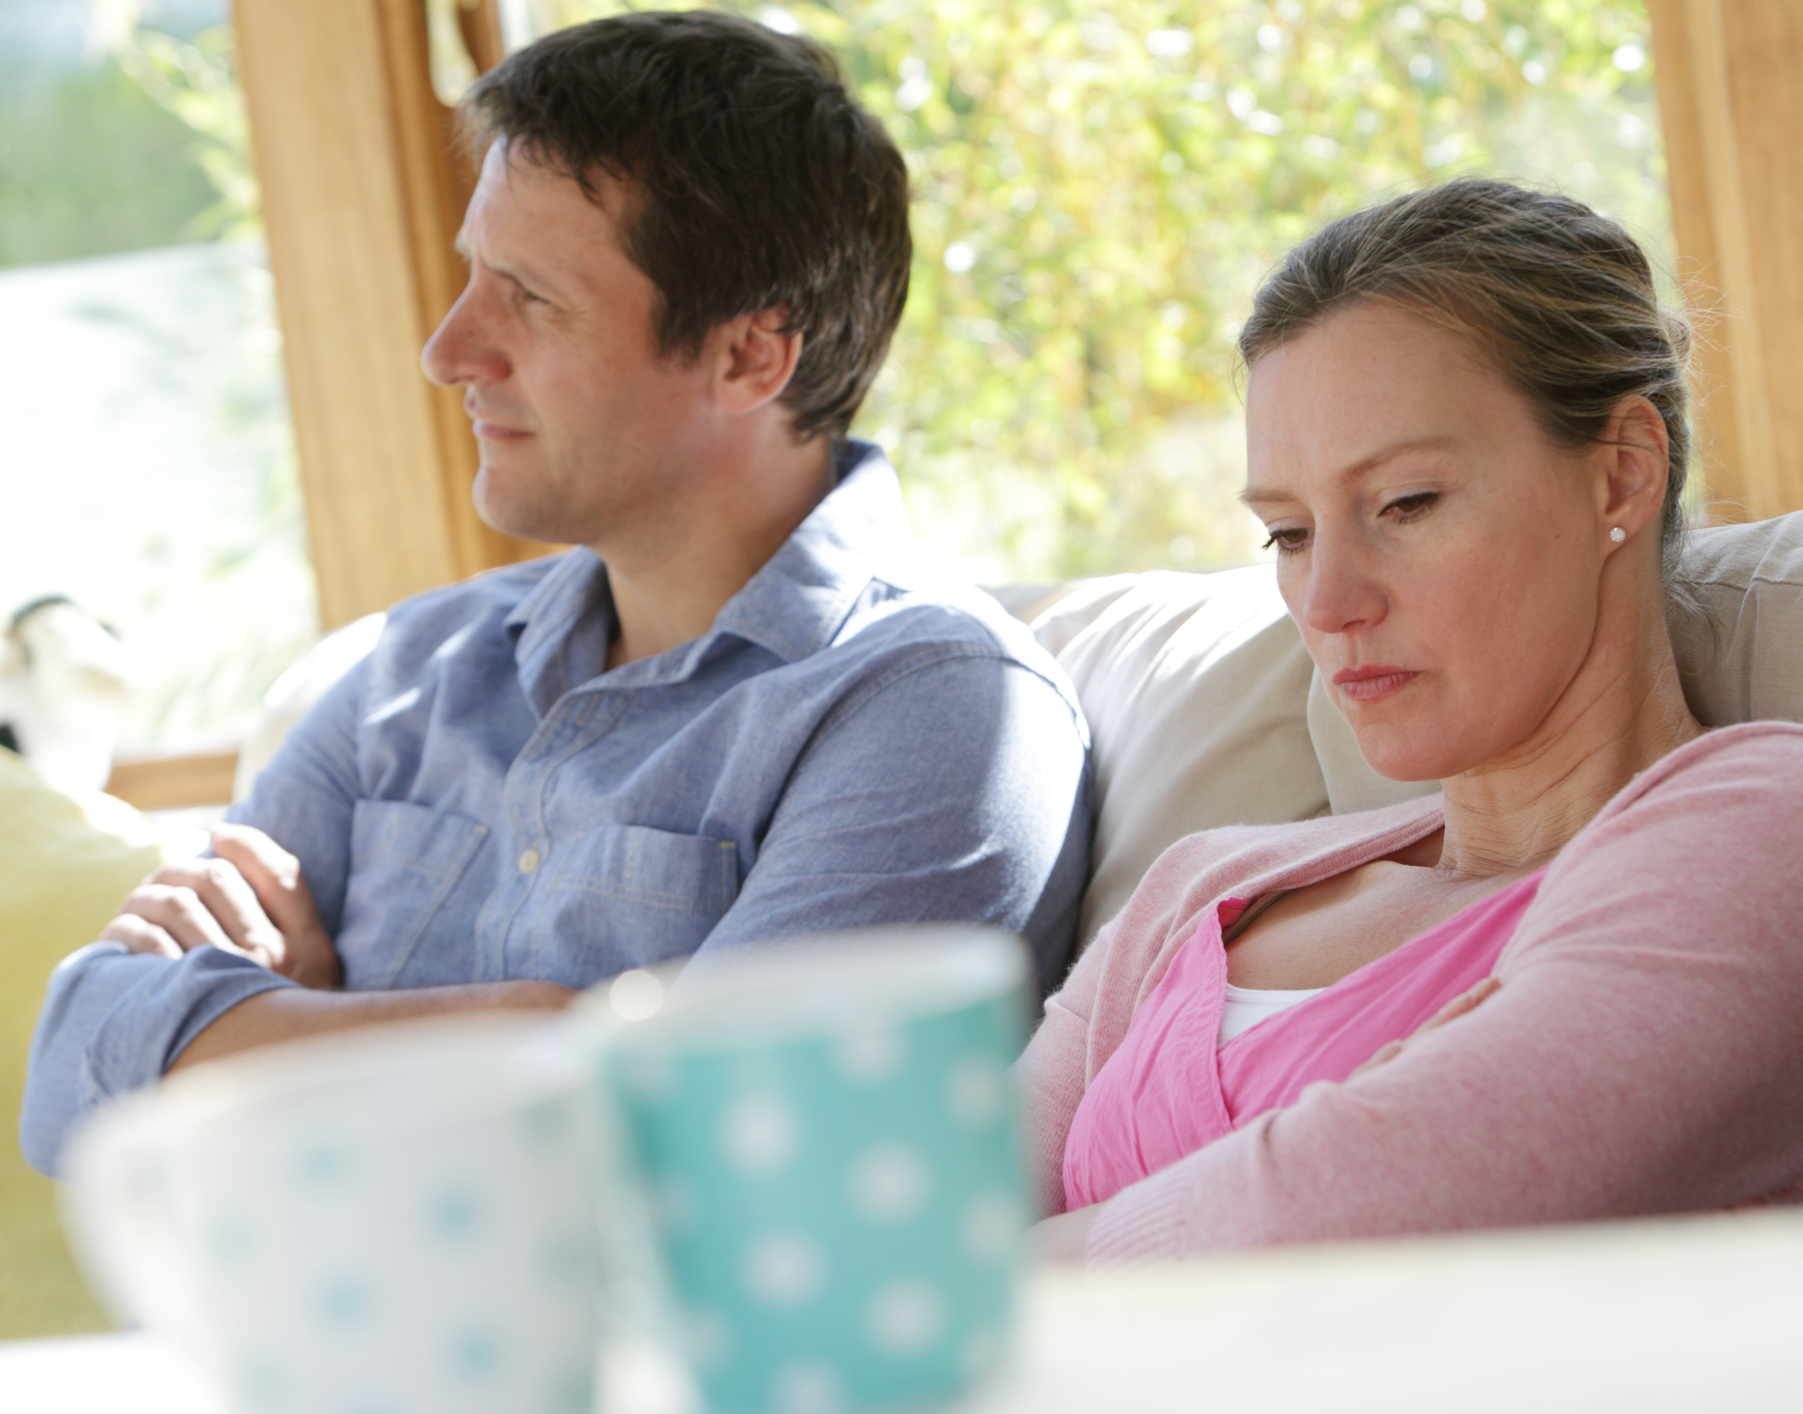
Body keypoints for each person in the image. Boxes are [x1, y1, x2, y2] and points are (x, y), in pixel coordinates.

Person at [21, 11, 1091, 1177]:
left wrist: (265, 1046)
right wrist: (541, 1026)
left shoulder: (937, 710)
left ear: (749, 356)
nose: (447, 348)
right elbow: (75, 1079)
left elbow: (703, 1140)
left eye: (529, 297)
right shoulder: (405, 670)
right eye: (472, 276)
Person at [1019, 179, 1803, 1262]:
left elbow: (1322, 1224)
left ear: (1622, 477)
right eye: (1290, 535)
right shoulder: (1198, 891)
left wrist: (1019, 1267)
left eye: (1405, 505)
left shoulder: (1781, 826)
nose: (1327, 602)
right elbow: (906, 1233)